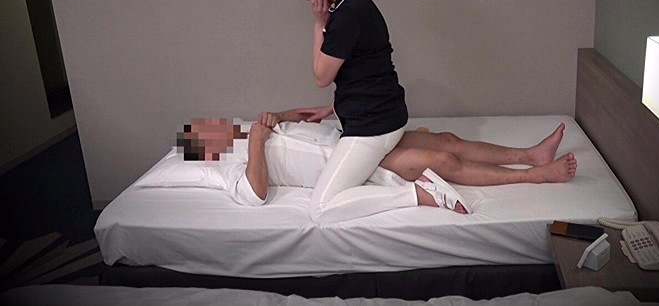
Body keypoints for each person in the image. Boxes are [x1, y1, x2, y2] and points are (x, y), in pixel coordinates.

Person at [179, 111, 578, 216]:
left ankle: (530, 155)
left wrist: (276, 117)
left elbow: (302, 120)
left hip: (354, 139)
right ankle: (536, 176)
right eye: (207, 131)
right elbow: (255, 194)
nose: (218, 126)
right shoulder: (231, 167)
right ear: (206, 149)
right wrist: (256, 142)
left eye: (212, 123)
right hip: (354, 163)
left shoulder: (249, 129)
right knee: (442, 160)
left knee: (447, 140)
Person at [286, 0, 411, 223]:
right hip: (384, 115)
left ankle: (417, 194)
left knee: (319, 209)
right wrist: (336, 107)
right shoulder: (355, 2)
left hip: (373, 127)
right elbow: (367, 70)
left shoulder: (347, 14)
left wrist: (319, 23)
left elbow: (321, 77)